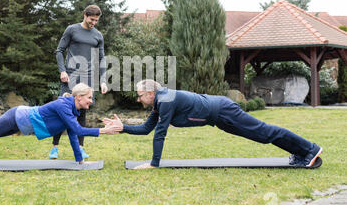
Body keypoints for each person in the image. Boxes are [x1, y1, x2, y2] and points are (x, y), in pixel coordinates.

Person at [104, 79, 323, 169]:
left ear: (151, 93)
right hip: (219, 117)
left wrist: (153, 164)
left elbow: (159, 133)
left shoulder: (166, 99)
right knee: (262, 136)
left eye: (140, 95)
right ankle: (302, 154)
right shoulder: (160, 102)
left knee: (263, 132)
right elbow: (146, 129)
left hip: (223, 111)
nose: (138, 99)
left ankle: (309, 149)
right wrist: (123, 127)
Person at [51, 5, 108, 160]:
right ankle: (54, 148)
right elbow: (59, 51)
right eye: (91, 19)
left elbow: (102, 59)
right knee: (61, 111)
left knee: (82, 113)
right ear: (85, 15)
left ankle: (81, 148)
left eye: (96, 20)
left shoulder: (98, 35)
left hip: (87, 78)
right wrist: (62, 70)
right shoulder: (72, 30)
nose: (93, 23)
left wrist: (102, 81)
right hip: (70, 76)